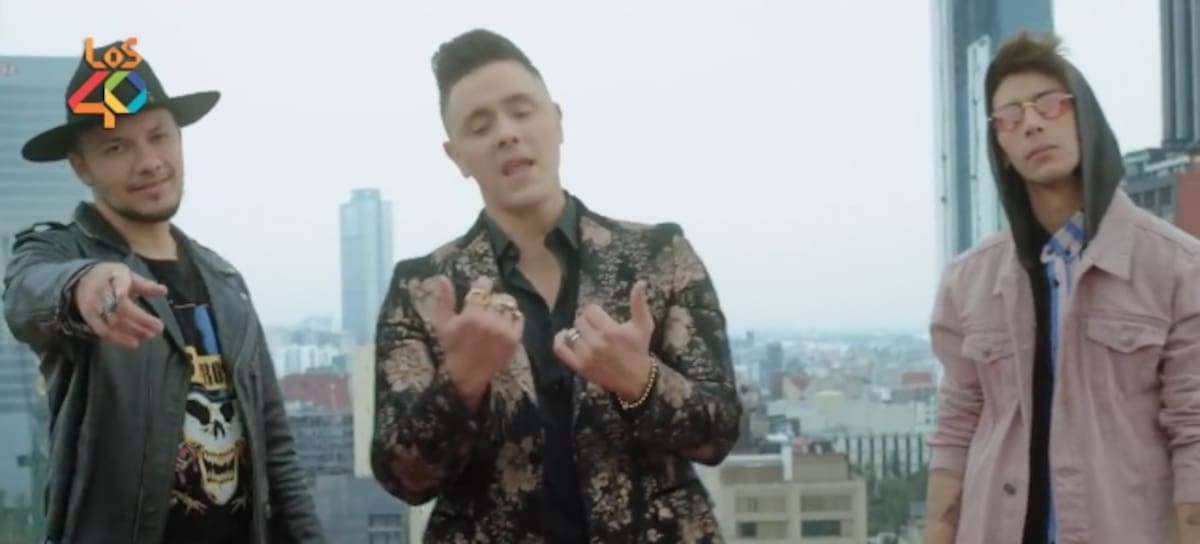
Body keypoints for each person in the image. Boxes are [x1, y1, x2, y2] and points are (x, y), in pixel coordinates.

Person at [369, 29, 742, 542]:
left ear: (558, 121)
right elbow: (404, 478)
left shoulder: (660, 256)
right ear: (456, 156)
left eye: (521, 112)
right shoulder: (424, 290)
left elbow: (720, 431)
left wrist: (641, 381)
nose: (507, 134)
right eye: (480, 126)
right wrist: (460, 383)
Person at [2, 41, 324, 544]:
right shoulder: (59, 253)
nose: (149, 162)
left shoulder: (225, 281)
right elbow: (27, 294)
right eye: (116, 147)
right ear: (81, 167)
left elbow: (277, 453)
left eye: (159, 137)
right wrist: (82, 286)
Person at [924, 31, 1200, 544]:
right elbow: (957, 428)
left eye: (1050, 104)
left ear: (1085, 120)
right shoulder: (969, 281)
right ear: (1001, 149)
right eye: (1010, 116)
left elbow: (1194, 431)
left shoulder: (1178, 268)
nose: (1032, 123)